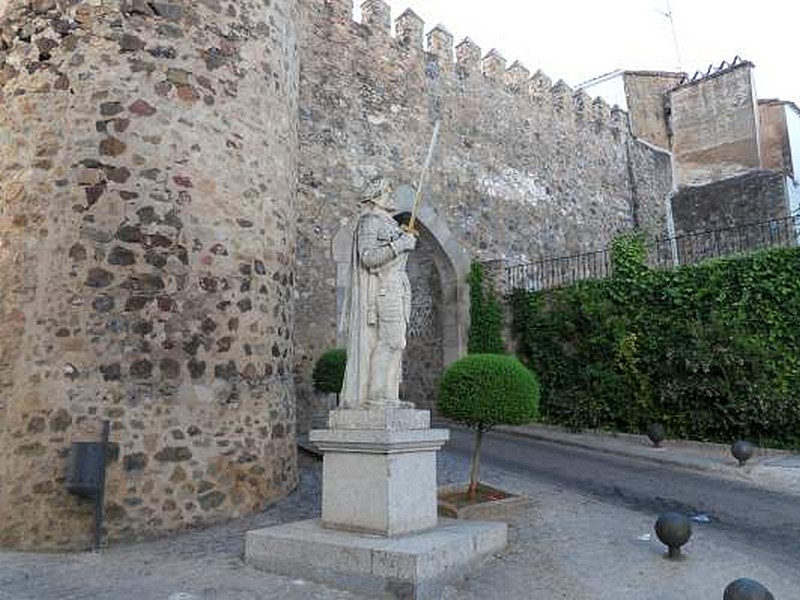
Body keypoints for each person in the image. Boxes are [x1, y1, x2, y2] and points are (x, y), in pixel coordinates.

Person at [339, 178, 417, 409]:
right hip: (383, 290)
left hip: (398, 288)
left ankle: (390, 396)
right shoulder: (370, 221)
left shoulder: (390, 223)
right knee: (389, 341)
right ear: (375, 196)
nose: (391, 194)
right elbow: (368, 257)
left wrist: (403, 241)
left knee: (398, 343)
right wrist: (400, 245)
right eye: (387, 190)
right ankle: (376, 396)